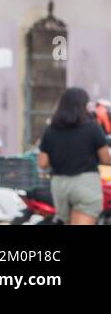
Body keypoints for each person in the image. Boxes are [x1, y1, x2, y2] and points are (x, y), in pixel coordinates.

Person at [37, 87, 111, 225]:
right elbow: (105, 158)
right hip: (85, 183)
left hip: (59, 185)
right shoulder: (92, 128)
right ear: (84, 105)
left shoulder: (51, 130)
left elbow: (42, 163)